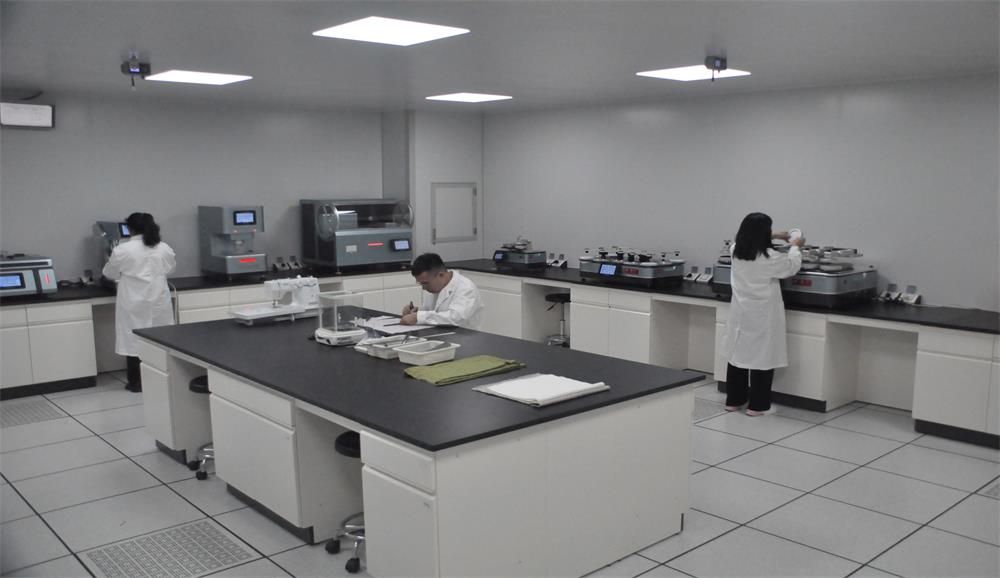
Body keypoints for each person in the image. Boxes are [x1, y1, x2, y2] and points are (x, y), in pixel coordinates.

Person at [720, 212, 804, 416]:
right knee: (762, 359)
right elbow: (791, 267)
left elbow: (748, 237)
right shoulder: (770, 257)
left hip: (741, 313)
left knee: (737, 357)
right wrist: (795, 246)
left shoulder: (735, 250)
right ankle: (757, 406)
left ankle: (734, 401)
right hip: (763, 314)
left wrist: (774, 235)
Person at [102, 213, 176, 392]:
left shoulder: (123, 249)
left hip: (133, 300)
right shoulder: (163, 247)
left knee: (134, 340)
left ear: (130, 229)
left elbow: (109, 273)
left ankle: (136, 383)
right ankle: (160, 380)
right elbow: (171, 269)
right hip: (159, 299)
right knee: (159, 338)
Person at [400, 253, 484, 330]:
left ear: (441, 275)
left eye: (425, 283)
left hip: (465, 337)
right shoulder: (434, 286)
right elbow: (431, 313)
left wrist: (419, 317)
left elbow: (455, 318)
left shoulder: (466, 288)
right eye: (421, 283)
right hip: (439, 333)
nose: (423, 288)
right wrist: (415, 312)